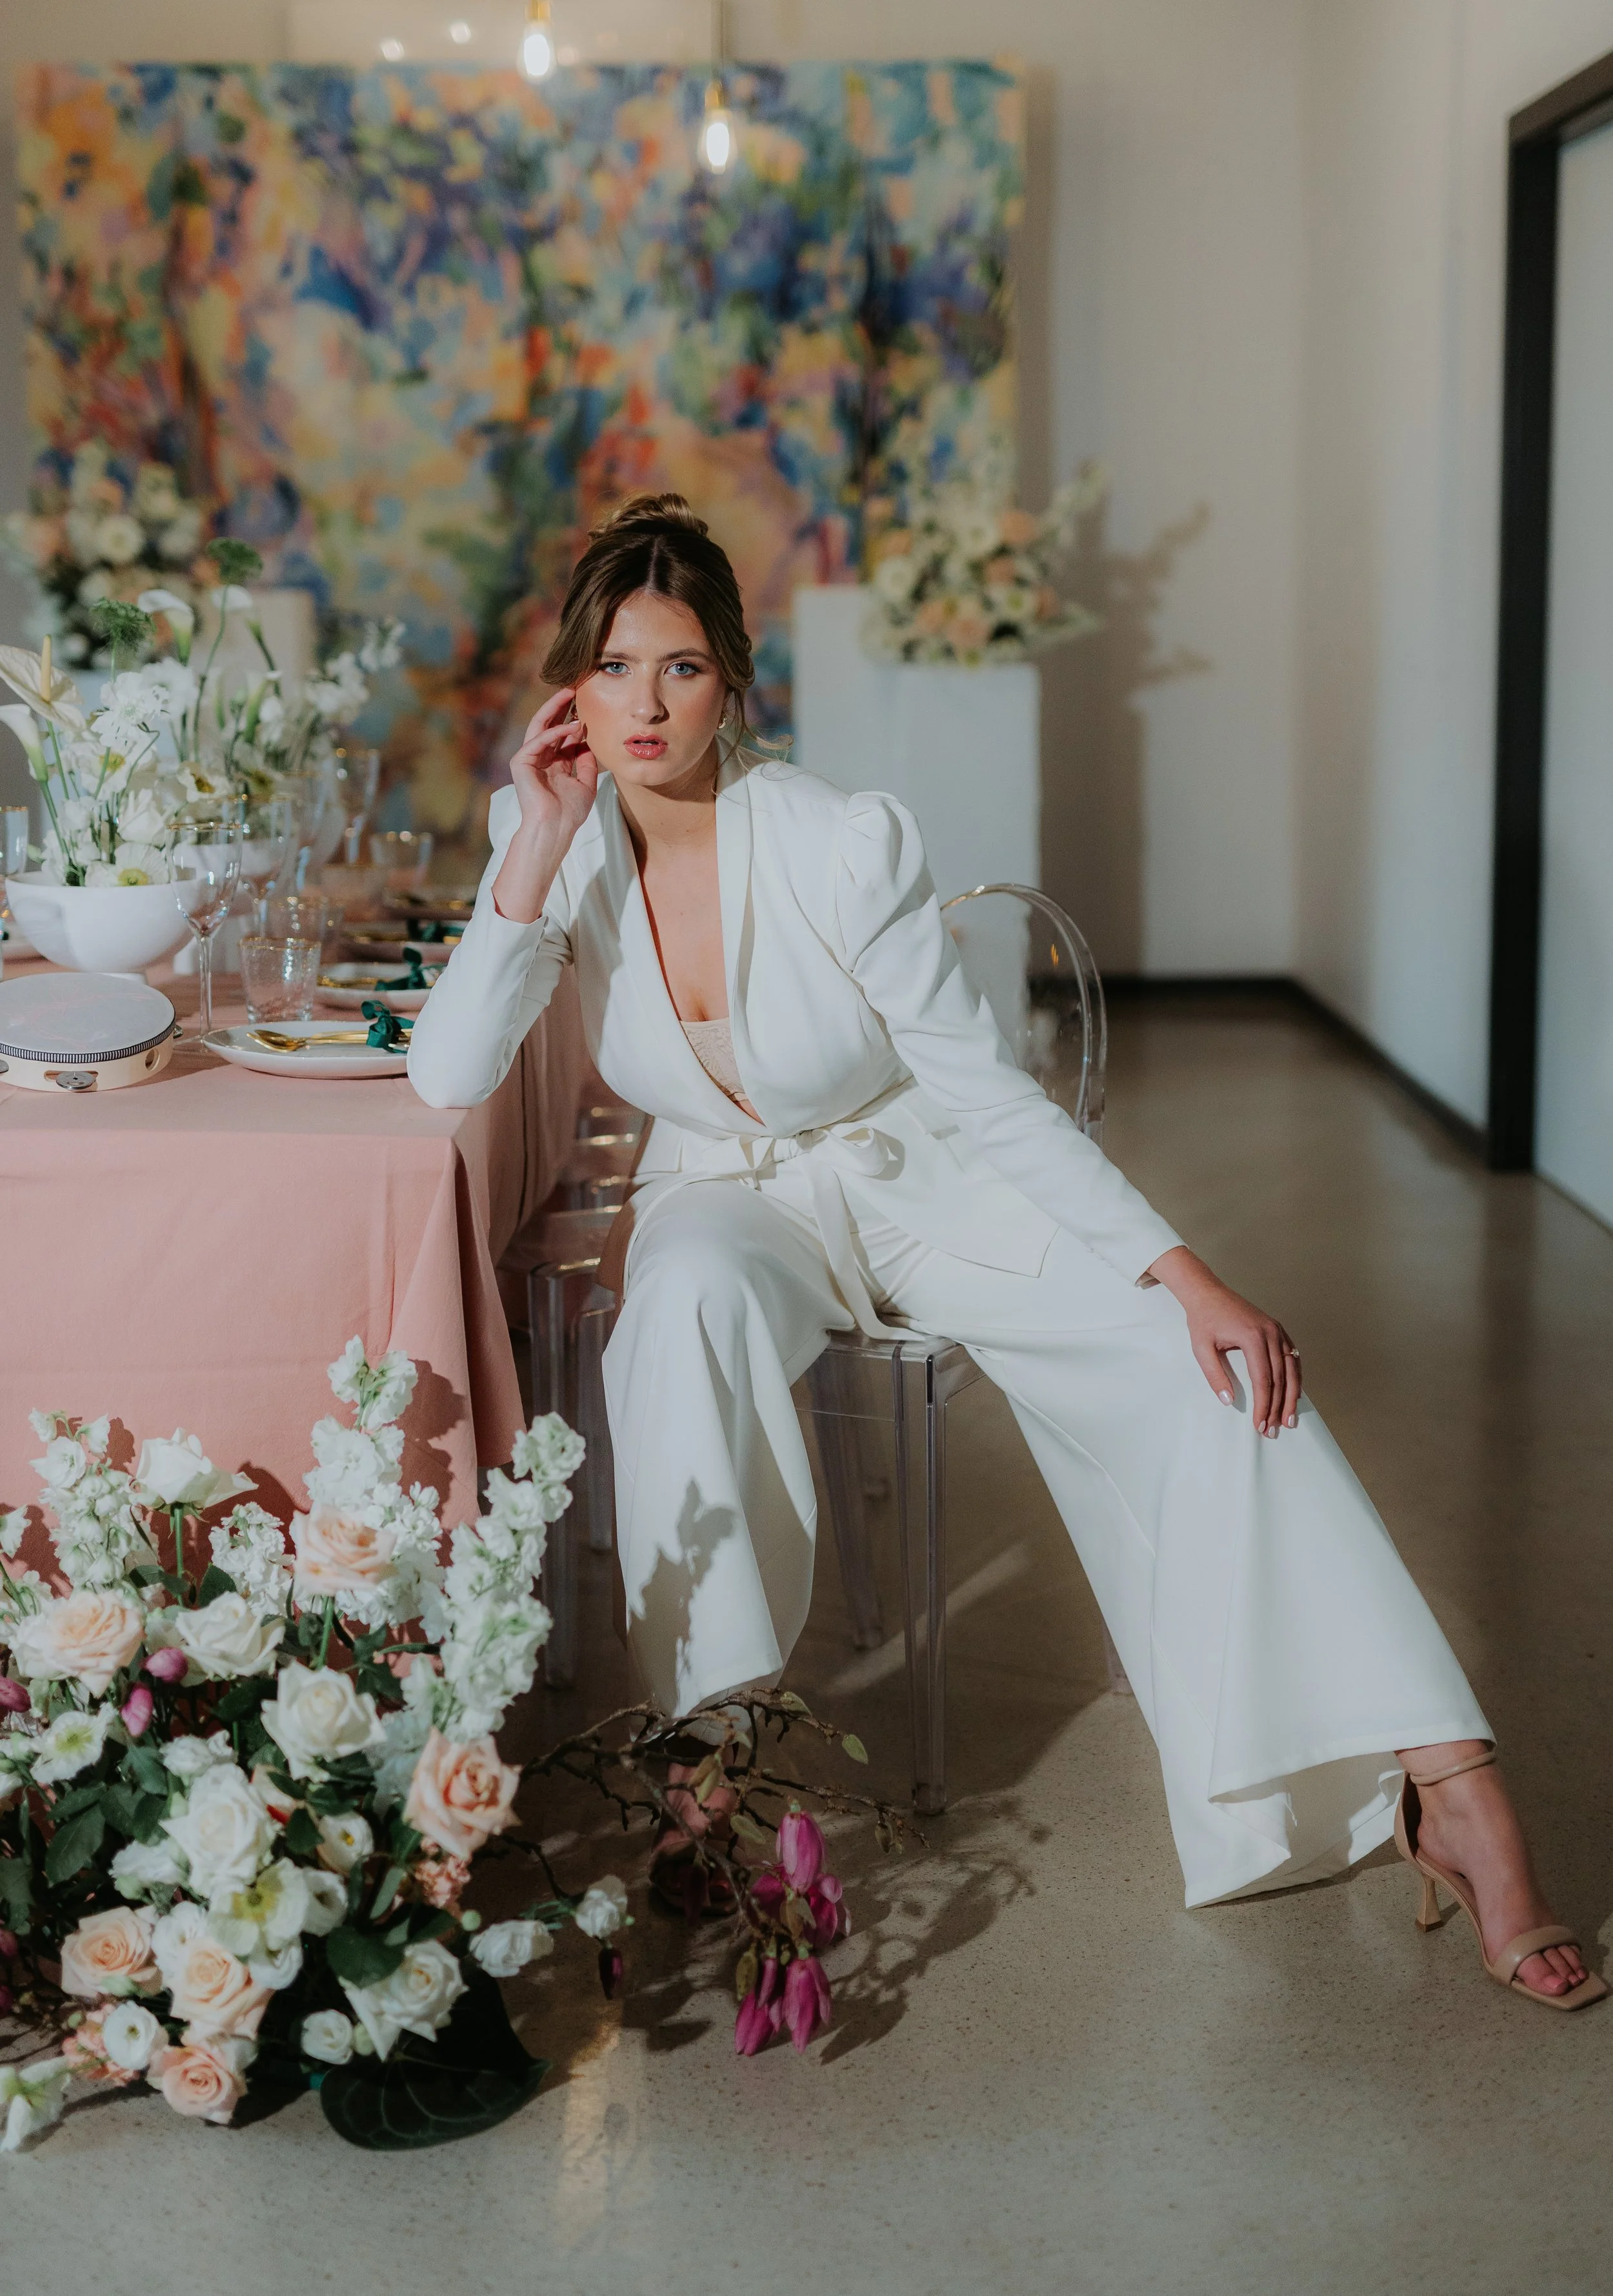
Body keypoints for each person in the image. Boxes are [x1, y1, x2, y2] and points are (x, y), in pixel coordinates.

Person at [409, 494, 1603, 2010]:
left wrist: (1178, 1270)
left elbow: (982, 1090)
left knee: (1216, 1379)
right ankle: (710, 1753)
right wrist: (533, 840)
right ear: (566, 683)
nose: (645, 706)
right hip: (734, 1199)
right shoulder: (560, 847)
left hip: (922, 1178)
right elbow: (449, 1075)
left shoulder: (841, 840)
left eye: (684, 669)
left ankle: (1452, 1785)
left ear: (735, 678)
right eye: (616, 666)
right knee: (685, 1295)